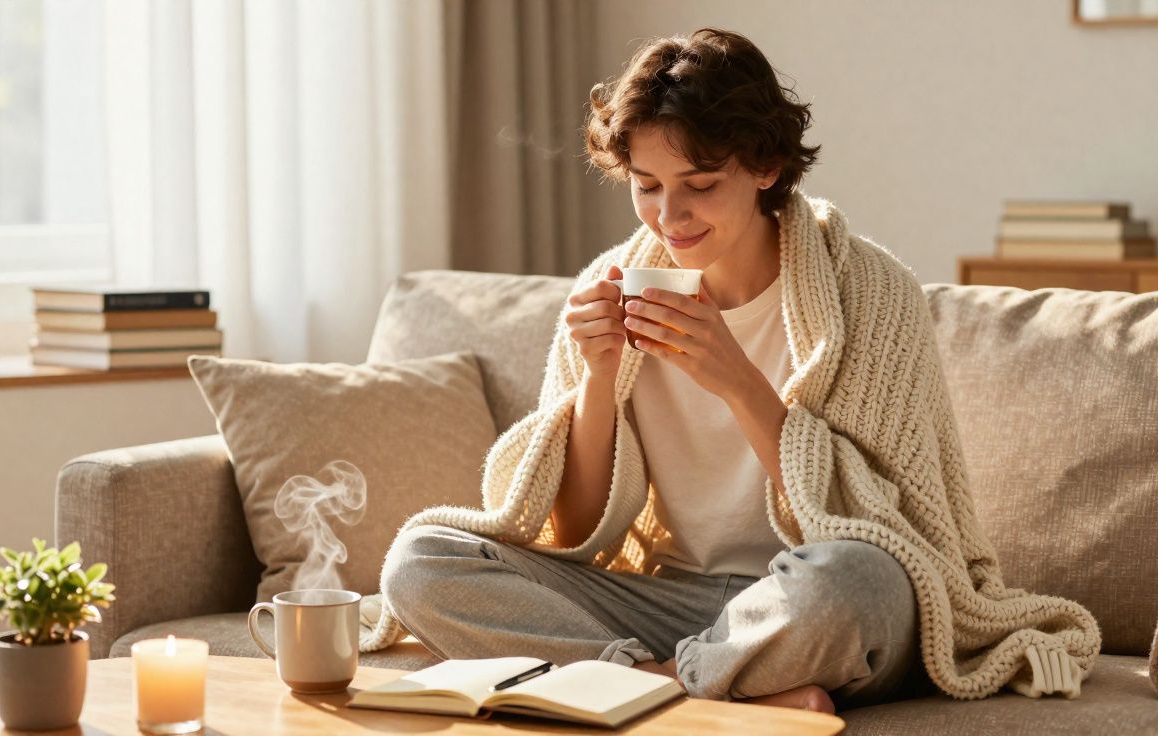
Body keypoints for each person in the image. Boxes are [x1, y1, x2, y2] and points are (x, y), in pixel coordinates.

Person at [369, 27, 1101, 714]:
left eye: (699, 183)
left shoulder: (872, 293)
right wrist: (597, 381)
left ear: (765, 166)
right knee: (420, 561)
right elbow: (576, 529)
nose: (669, 216)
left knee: (851, 584)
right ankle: (698, 687)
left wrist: (734, 377)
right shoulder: (613, 282)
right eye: (647, 185)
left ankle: (637, 686)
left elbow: (886, 528)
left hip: (807, 596)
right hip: (668, 599)